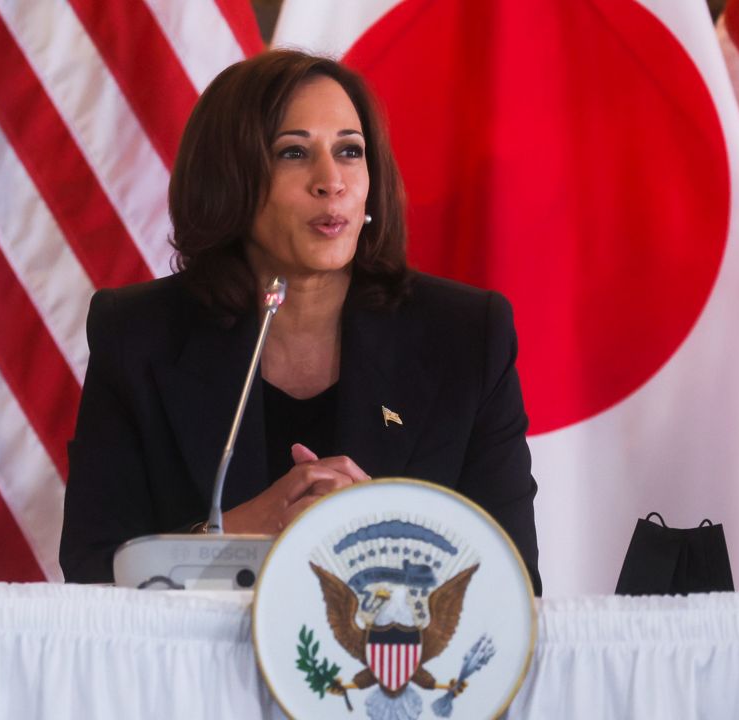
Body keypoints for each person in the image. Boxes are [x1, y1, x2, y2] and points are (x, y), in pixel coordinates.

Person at [59, 50, 541, 594]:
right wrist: (235, 537)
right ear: (229, 178)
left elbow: (514, 581)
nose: (331, 181)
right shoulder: (137, 335)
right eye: (294, 152)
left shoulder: (465, 335)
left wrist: (381, 537)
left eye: (350, 152)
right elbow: (90, 571)